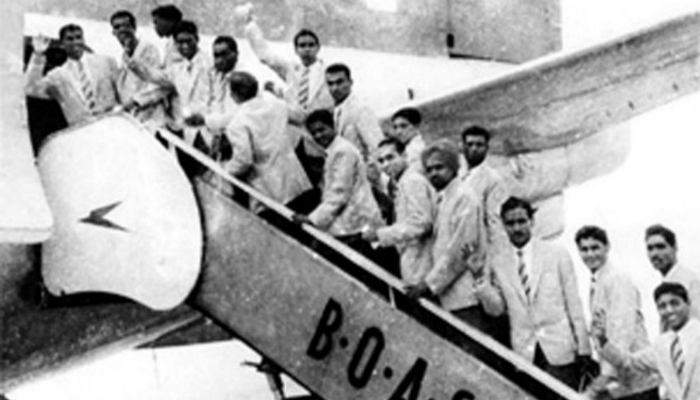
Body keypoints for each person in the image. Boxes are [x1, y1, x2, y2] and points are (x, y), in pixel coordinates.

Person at [488, 196, 592, 393]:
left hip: (559, 350)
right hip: (525, 353)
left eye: (521, 221)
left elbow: (574, 304)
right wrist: (479, 279)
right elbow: (496, 310)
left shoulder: (556, 254)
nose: (517, 228)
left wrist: (584, 348)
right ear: (503, 226)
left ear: (532, 221)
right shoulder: (499, 262)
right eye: (510, 223)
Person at [404, 140, 504, 336]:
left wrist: (429, 284)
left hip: (466, 296)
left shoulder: (464, 197)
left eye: (439, 167)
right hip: (451, 296)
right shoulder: (446, 198)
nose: (433, 173)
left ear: (453, 167)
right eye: (429, 169)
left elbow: (459, 250)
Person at [575, 226, 660, 400]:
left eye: (595, 248)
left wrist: (607, 375)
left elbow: (621, 332)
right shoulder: (599, 280)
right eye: (584, 249)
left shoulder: (617, 279)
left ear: (607, 247)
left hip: (637, 379)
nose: (590, 254)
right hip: (622, 381)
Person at [292, 109, 383, 260]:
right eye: (314, 133)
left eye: (322, 130)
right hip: (351, 220)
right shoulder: (335, 150)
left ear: (332, 127)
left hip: (356, 222)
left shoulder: (342, 152)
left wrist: (312, 219)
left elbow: (339, 193)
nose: (318, 136)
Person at [222, 72, 311, 213]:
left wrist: (226, 170)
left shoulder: (237, 124)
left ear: (234, 95)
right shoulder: (277, 105)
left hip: (268, 191)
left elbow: (244, 160)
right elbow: (301, 117)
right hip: (295, 180)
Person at [593, 282, 700, 400]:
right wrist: (603, 340)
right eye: (662, 306)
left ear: (688, 303)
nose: (669, 310)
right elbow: (628, 362)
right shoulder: (662, 344)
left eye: (674, 303)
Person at [240, 4, 333, 125]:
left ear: (318, 48)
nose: (307, 49)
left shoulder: (327, 71)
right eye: (302, 45)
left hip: (318, 125)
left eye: (311, 45)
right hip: (292, 125)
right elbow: (266, 56)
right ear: (296, 50)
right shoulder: (291, 68)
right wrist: (251, 26)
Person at [362, 138, 436, 283]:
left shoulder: (412, 181)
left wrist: (380, 235)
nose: (386, 164)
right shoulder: (403, 182)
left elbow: (422, 223)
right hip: (414, 258)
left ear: (404, 156)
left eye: (390, 157)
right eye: (381, 161)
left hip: (421, 262)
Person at [25, 24, 119, 126]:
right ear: (62, 44)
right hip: (81, 132)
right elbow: (31, 89)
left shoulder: (105, 62)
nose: (75, 42)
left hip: (111, 127)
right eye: (70, 39)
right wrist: (38, 55)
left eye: (78, 37)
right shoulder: (58, 75)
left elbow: (122, 93)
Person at [110, 10, 166, 126]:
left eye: (126, 26)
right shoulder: (124, 56)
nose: (122, 30)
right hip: (132, 118)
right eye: (117, 27)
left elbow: (158, 84)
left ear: (134, 27)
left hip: (151, 118)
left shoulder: (149, 50)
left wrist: (135, 101)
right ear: (113, 32)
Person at [460, 126, 510, 250]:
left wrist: (498, 253)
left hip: (476, 246)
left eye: (479, 145)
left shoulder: (493, 180)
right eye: (469, 144)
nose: (474, 149)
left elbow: (494, 221)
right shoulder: (456, 174)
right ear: (462, 146)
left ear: (487, 148)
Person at [325, 63, 384, 164]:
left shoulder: (361, 109)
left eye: (340, 82)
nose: (334, 88)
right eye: (330, 84)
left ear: (350, 82)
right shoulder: (332, 110)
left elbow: (377, 147)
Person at [645, 224, 700, 331]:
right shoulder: (666, 282)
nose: (654, 253)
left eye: (660, 247)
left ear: (675, 248)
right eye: (650, 248)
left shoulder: (690, 281)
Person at [388, 107, 426, 171]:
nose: (398, 131)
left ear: (416, 127)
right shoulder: (410, 147)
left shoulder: (414, 150)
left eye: (403, 126)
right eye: (395, 127)